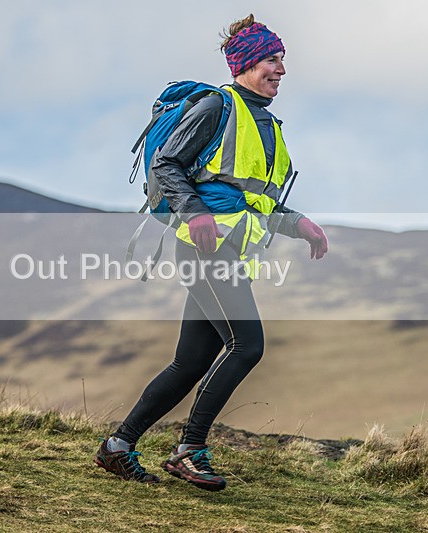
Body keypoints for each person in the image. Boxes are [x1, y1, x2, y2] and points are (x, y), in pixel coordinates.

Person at [95, 14, 328, 491]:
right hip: (204, 249)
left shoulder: (267, 124)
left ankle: (118, 447)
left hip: (227, 251)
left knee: (190, 362)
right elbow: (167, 162)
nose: (281, 69)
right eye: (271, 59)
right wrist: (194, 211)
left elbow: (252, 199)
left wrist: (297, 223)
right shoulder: (215, 107)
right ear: (244, 63)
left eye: (283, 59)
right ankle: (190, 449)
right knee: (247, 346)